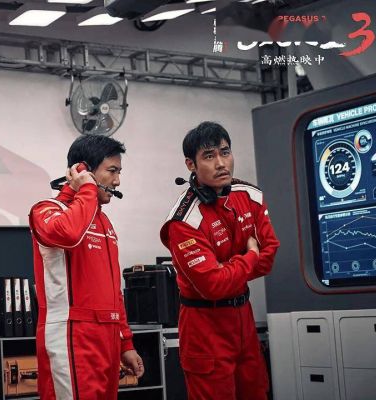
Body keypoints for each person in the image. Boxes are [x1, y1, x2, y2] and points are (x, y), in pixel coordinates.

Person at [160, 122, 280, 400]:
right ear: (191, 164)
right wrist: (250, 255)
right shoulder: (183, 221)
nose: (221, 163)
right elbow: (213, 285)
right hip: (204, 326)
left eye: (225, 152)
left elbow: (269, 257)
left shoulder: (250, 195)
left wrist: (228, 270)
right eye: (209, 156)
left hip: (244, 320)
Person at [29, 135, 144, 400]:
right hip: (72, 336)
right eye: (112, 171)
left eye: (119, 172)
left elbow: (114, 291)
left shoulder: (104, 222)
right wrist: (86, 189)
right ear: (83, 170)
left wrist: (125, 342)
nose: (117, 181)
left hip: (108, 338)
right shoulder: (46, 210)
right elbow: (68, 234)